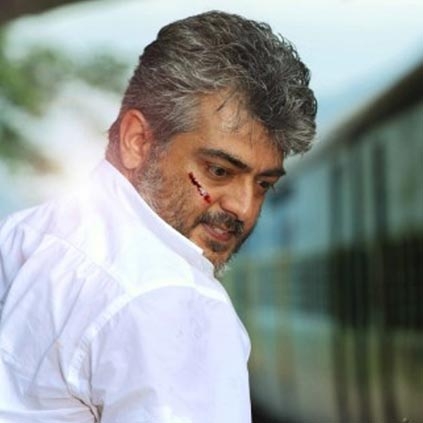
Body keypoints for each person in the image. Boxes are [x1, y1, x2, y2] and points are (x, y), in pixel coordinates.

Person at [0, 10, 316, 423]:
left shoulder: (28, 235)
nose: (243, 207)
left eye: (263, 184)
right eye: (218, 171)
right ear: (137, 141)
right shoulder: (170, 299)